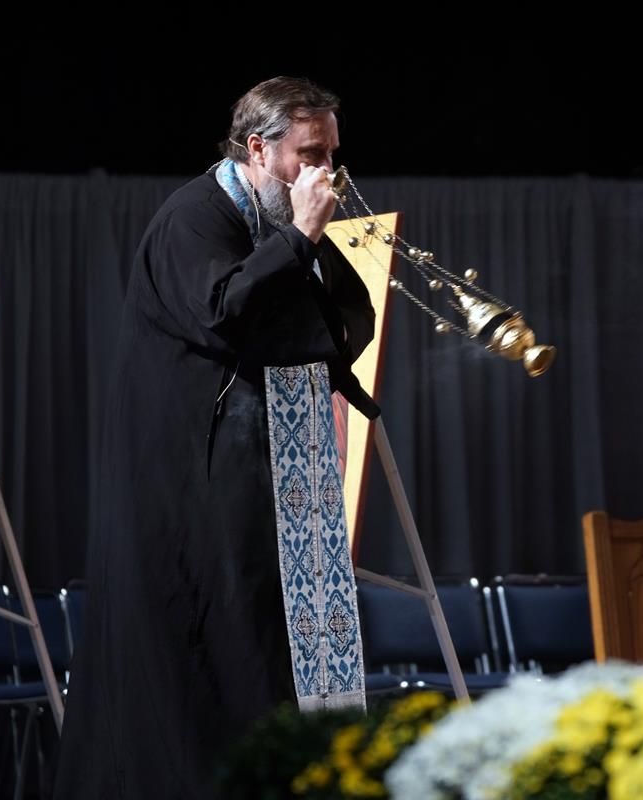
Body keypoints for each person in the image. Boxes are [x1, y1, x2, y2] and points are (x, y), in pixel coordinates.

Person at [55, 76, 376, 799]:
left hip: (259, 484)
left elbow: (347, 320)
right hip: (182, 483)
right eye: (310, 153)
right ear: (258, 149)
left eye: (331, 153)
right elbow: (220, 310)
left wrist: (307, 244)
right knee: (197, 653)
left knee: (259, 646)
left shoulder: (277, 219)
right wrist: (300, 237)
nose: (325, 171)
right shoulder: (193, 215)